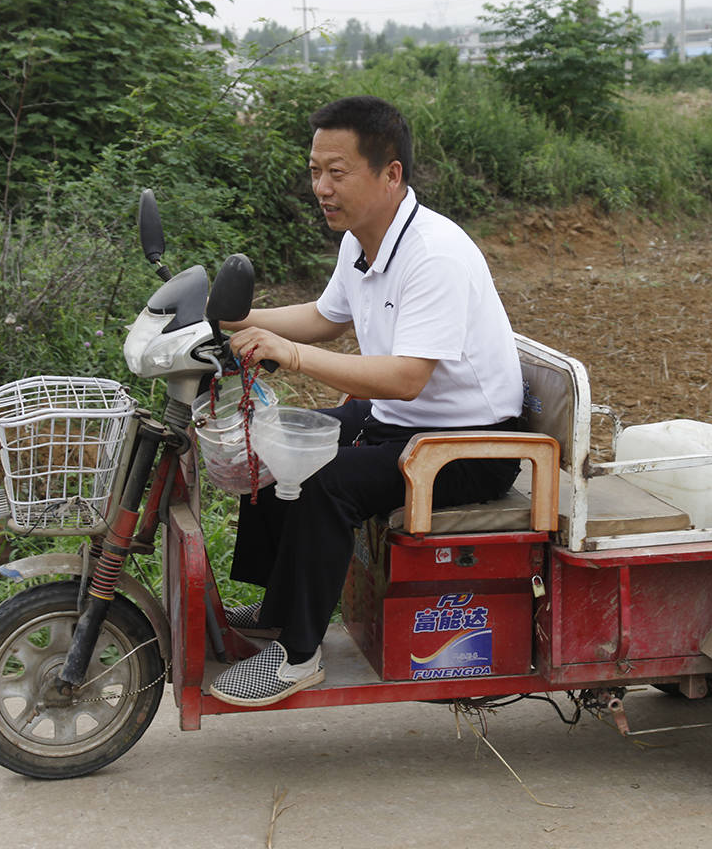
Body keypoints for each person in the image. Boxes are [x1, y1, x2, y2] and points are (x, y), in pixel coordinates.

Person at [209, 95, 524, 707]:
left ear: (391, 174)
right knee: (274, 439)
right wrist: (226, 321)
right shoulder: (363, 239)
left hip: (470, 447)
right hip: (404, 427)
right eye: (314, 171)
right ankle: (278, 607)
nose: (321, 187)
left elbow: (407, 377)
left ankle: (299, 656)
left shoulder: (432, 253)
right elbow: (326, 317)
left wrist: (286, 352)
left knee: (323, 478)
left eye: (337, 171)